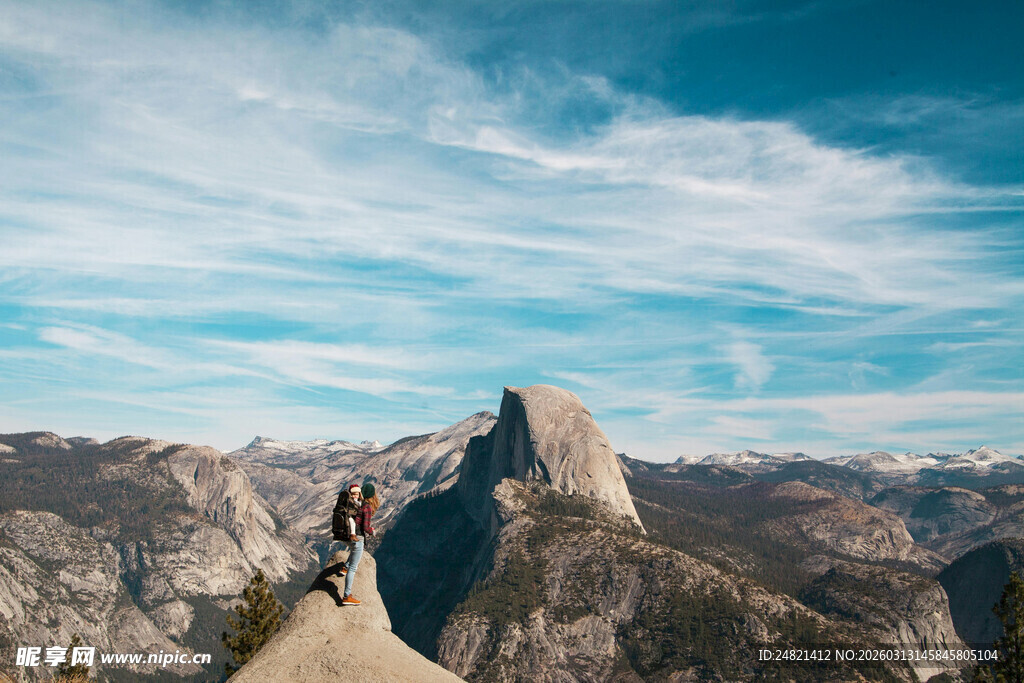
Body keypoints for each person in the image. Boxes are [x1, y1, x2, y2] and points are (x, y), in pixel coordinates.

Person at [340, 482, 380, 606]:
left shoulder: (357, 503)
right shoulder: (367, 507)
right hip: (358, 537)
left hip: (347, 535)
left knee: (353, 551)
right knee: (354, 567)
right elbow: (366, 527)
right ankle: (347, 596)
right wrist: (373, 532)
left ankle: (344, 567)